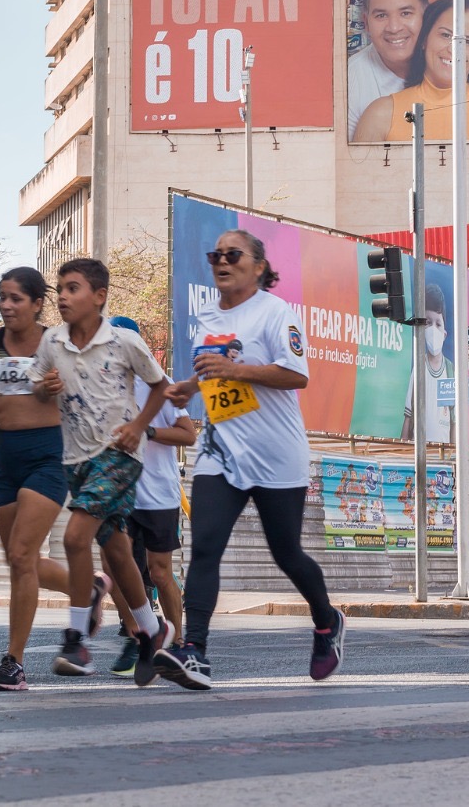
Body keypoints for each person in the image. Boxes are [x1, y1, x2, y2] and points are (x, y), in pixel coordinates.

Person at [155, 230, 346, 689]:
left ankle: (327, 621)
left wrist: (235, 370)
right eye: (214, 254)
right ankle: (193, 650)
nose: (222, 261)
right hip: (220, 450)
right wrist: (189, 386)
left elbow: (297, 374)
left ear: (258, 266)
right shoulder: (203, 317)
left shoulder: (276, 313)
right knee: (205, 548)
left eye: (233, 255)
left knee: (287, 553)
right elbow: (215, 374)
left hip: (276, 454)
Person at [30, 259, 175, 685]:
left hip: (119, 455)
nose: (62, 297)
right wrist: (45, 389)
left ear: (99, 296)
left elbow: (161, 386)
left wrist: (138, 425)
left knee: (75, 537)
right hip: (76, 459)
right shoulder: (52, 342)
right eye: (59, 288)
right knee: (116, 548)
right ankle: (151, 631)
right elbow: (37, 386)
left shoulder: (124, 341)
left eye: (72, 288)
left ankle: (76, 637)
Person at [0, 267, 109, 691]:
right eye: (2, 297)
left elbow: (85, 392)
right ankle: (88, 590)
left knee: (23, 553)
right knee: (19, 561)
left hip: (50, 453)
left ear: (36, 304)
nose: (7, 306)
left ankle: (13, 663)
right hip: (6, 456)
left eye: (16, 299)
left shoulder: (58, 341)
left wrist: (56, 388)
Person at [99, 316, 197, 678]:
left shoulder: (159, 383)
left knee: (159, 572)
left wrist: (147, 430)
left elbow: (188, 435)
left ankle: (181, 644)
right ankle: (137, 633)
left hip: (157, 494)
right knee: (113, 569)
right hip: (119, 494)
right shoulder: (102, 385)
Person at [351, 0, 469, 144]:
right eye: (446, 35)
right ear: (425, 39)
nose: (453, 48)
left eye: (468, 42)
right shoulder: (380, 115)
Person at [347, 0, 428, 139]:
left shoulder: (455, 60)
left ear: (425, 15)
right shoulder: (348, 82)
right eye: (381, 16)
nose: (394, 27)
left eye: (406, 13)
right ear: (366, 23)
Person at [402, 282, 457, 447]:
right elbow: (408, 417)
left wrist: (454, 456)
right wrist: (403, 450)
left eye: (438, 324)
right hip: (419, 453)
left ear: (445, 333)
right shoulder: (418, 368)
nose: (433, 329)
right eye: (427, 322)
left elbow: (454, 422)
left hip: (443, 455)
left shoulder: (451, 370)